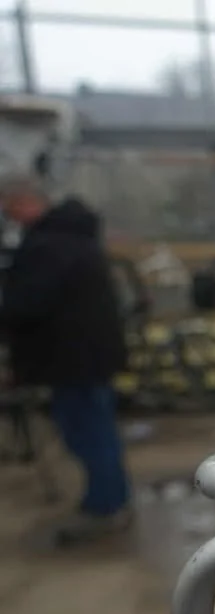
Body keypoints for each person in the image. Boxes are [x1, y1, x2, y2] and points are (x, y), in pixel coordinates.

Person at [0, 173, 131, 547]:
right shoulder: (72, 237)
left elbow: (28, 304)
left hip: (73, 358)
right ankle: (110, 501)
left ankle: (105, 508)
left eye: (8, 207)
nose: (7, 214)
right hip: (85, 355)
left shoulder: (49, 245)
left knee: (87, 433)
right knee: (95, 430)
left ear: (25, 202)